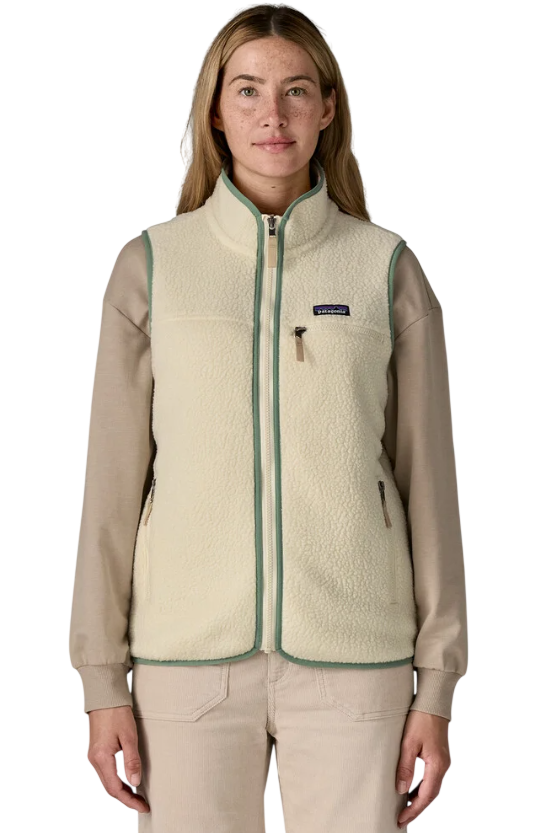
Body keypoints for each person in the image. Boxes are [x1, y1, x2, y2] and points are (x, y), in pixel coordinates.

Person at [68, 4, 468, 831]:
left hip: (358, 659)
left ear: (328, 108)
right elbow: (108, 491)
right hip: (183, 659)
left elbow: (430, 488)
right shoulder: (152, 265)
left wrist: (437, 685)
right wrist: (100, 679)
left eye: (295, 90)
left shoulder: (384, 267)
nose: (272, 114)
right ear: (215, 110)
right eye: (246, 90)